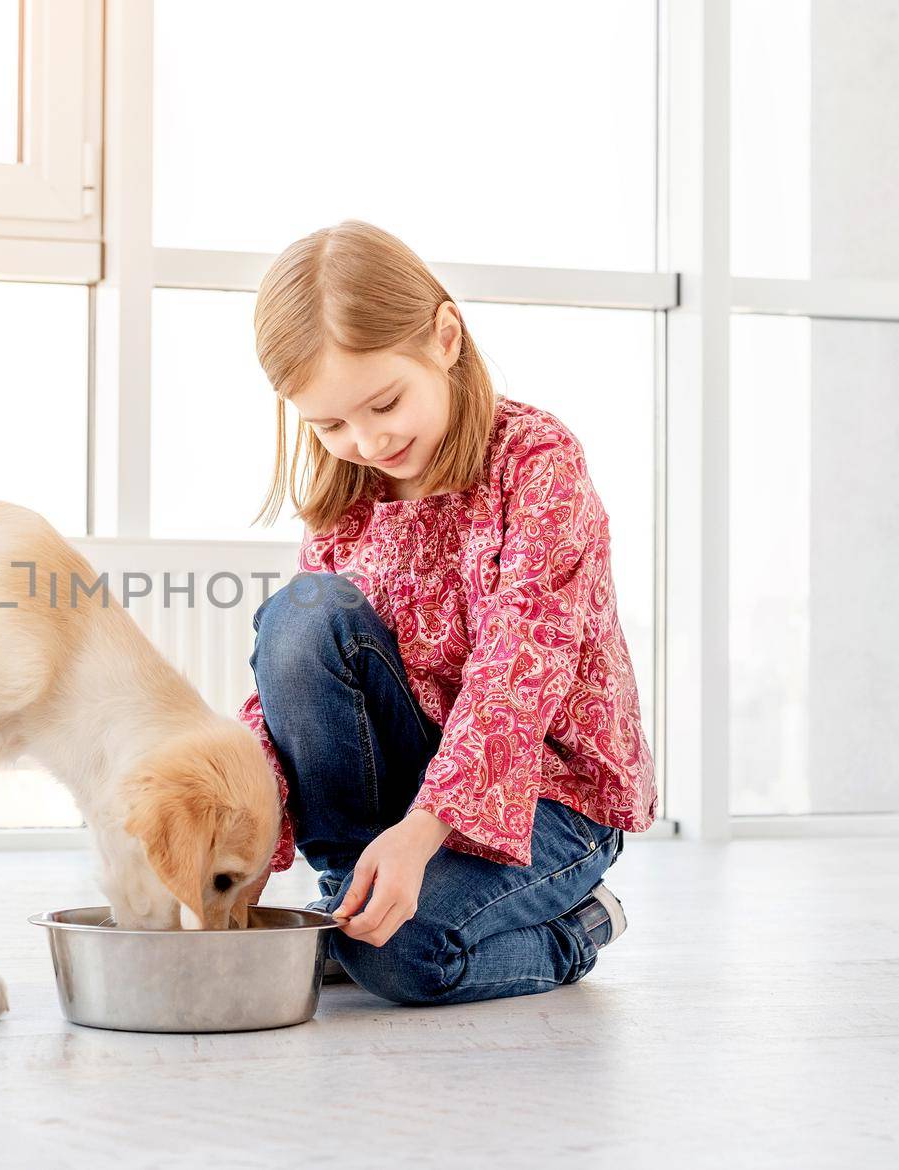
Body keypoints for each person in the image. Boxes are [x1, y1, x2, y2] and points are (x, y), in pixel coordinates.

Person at [234, 220, 657, 1006]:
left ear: (446, 337)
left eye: (384, 402)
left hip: (547, 799)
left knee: (400, 960)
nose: (366, 439)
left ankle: (578, 926)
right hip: (404, 805)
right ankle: (356, 891)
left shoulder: (537, 464)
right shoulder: (347, 498)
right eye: (329, 425)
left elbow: (515, 676)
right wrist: (249, 831)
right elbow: (286, 690)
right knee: (303, 614)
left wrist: (427, 831)